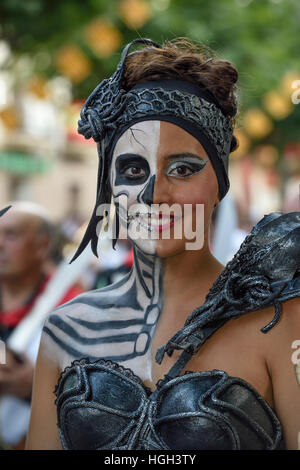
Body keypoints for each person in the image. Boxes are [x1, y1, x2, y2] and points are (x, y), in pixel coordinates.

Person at [26, 39, 300, 450]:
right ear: (111, 187)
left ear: (219, 184)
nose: (154, 194)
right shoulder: (67, 330)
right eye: (133, 169)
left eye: (183, 169)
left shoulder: (279, 321)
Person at [0, 202, 83, 449]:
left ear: (43, 245)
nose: (0, 244)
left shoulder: (76, 310)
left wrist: (36, 387)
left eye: (11, 235)